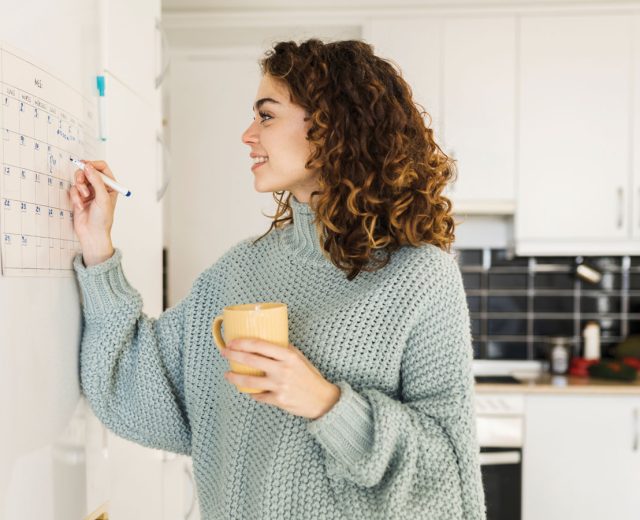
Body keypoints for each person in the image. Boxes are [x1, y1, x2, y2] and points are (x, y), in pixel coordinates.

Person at [70, 39, 486, 520]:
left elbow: (448, 477)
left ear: (335, 127)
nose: (248, 134)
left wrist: (327, 404)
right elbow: (130, 388)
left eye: (266, 116)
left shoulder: (421, 277)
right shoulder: (237, 272)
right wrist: (97, 246)